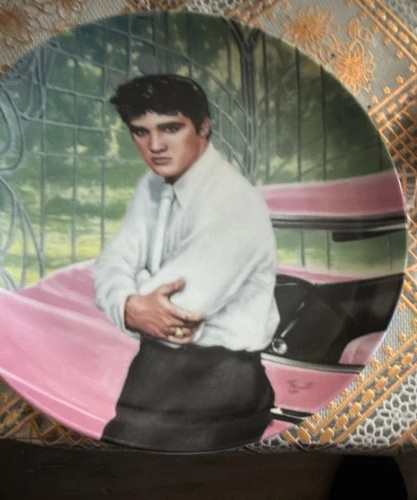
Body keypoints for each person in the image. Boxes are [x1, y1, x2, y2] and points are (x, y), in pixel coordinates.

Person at [94, 74, 280, 452]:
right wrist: (132, 305)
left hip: (223, 381)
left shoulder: (233, 201)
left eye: (170, 128)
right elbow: (110, 264)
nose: (155, 146)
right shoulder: (150, 186)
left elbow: (178, 316)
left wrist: (131, 290)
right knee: (114, 462)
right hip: (153, 368)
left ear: (204, 127)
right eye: (141, 132)